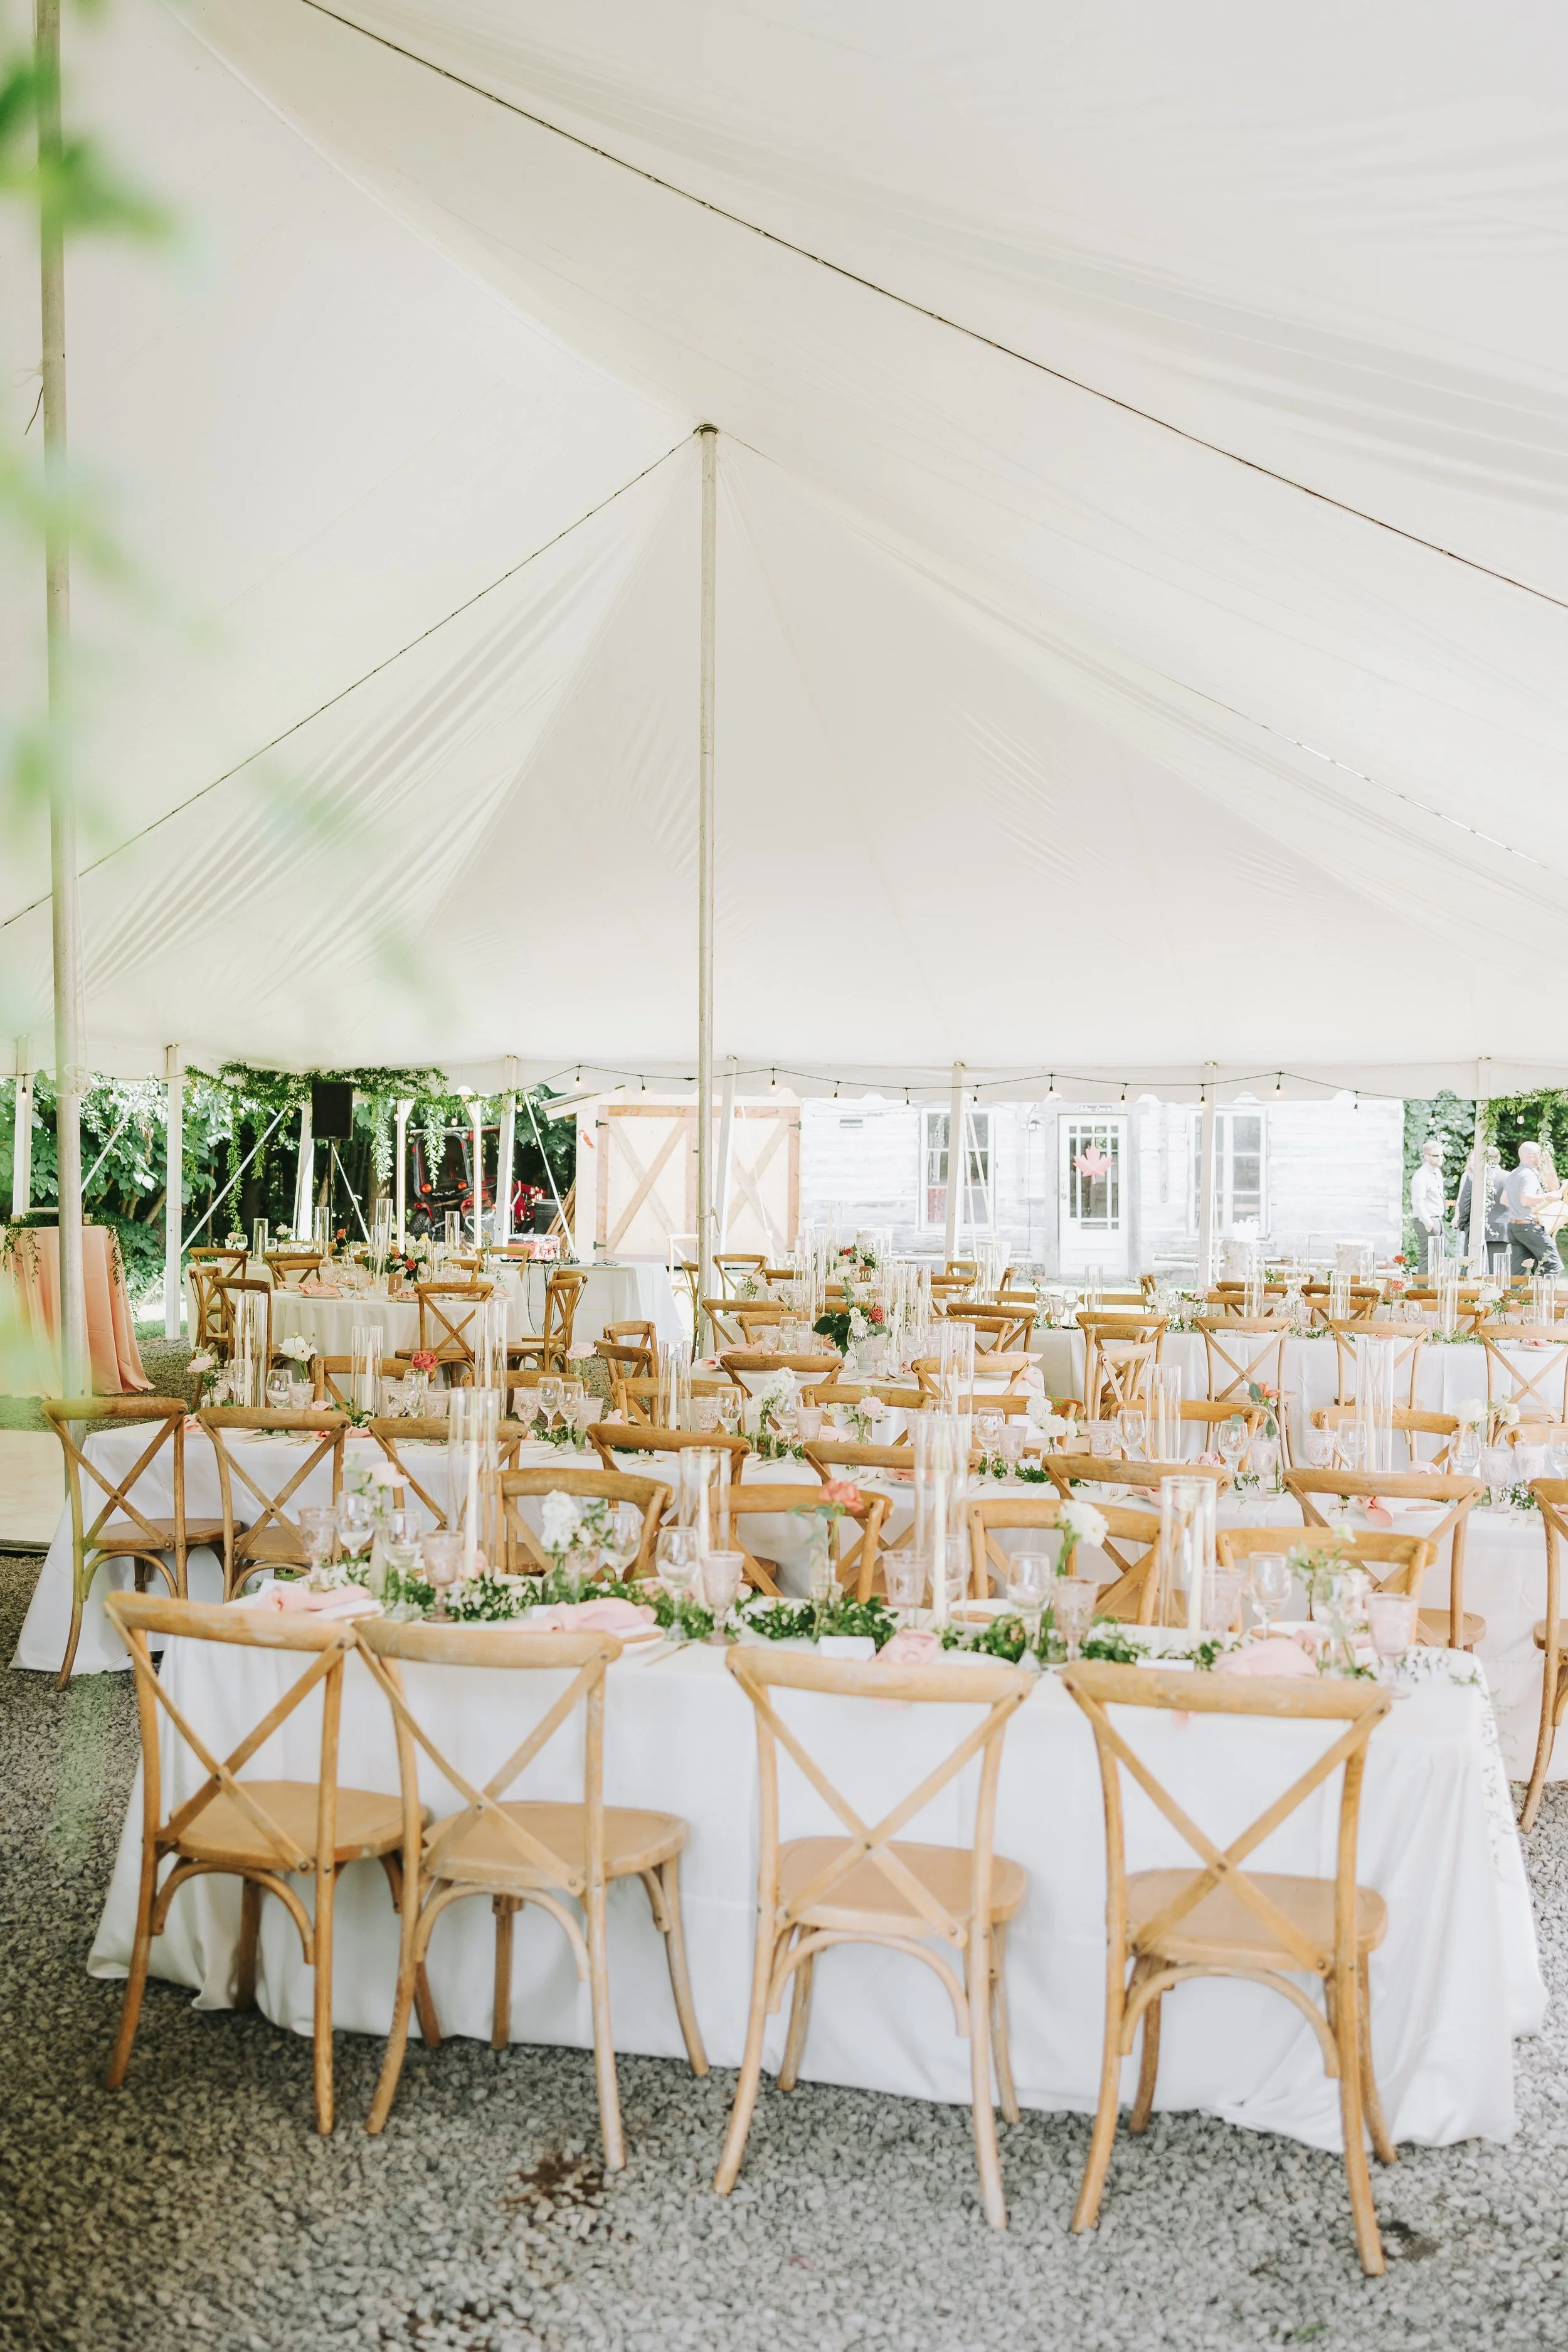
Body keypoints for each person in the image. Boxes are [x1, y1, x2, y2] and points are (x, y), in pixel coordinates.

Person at [1496, 1142, 1562, 1276]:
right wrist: (1549, 1196)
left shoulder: (1515, 1173)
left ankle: (1512, 1297)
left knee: (1517, 1272)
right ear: (1532, 1156)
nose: (1541, 1157)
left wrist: (1519, 1207)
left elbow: (1504, 1200)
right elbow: (1526, 1199)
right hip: (1528, 1227)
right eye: (1539, 1154)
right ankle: (1545, 1297)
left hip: (1514, 1227)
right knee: (1553, 1264)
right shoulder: (1529, 1174)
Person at [1409, 1138, 1446, 1276]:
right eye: (1436, 1156)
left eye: (1441, 1155)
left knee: (1440, 1257)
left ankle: (1435, 1288)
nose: (1440, 1158)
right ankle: (1422, 1291)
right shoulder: (1421, 1175)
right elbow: (1418, 1201)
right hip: (1427, 1220)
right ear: (1426, 1156)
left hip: (1437, 1219)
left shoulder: (1437, 1173)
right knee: (1427, 1257)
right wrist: (1428, 1223)